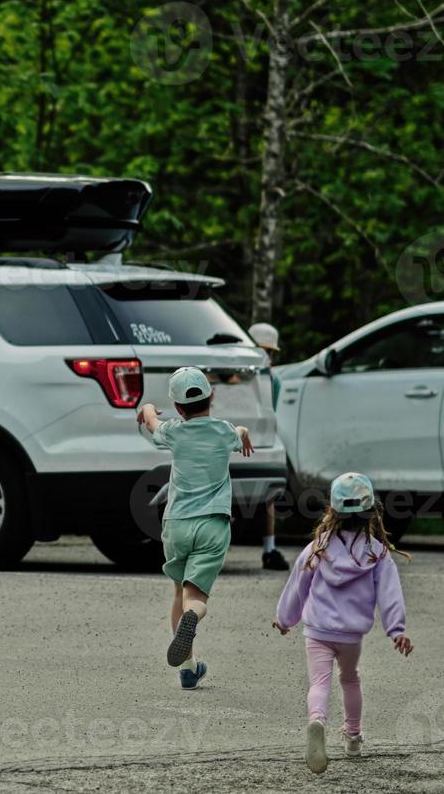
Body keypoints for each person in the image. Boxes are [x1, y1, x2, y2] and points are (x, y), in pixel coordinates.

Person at [272, 472, 412, 774]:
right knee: (350, 679)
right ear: (372, 512)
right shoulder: (376, 552)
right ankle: (352, 737)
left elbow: (298, 584)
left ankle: (317, 721)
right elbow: (390, 594)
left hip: (318, 630)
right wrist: (396, 630)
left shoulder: (319, 547)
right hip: (351, 635)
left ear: (331, 511)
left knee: (319, 682)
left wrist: (285, 618)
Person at [137, 366, 253, 688]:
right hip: (212, 524)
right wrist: (244, 434)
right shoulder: (223, 431)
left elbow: (151, 423)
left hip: (176, 524)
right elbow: (239, 431)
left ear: (177, 408)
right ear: (212, 396)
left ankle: (188, 667)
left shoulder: (174, 431)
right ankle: (194, 617)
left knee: (178, 590)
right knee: (195, 597)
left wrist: (146, 408)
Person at [249, 321, 289, 571]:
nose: (268, 358)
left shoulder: (273, 381)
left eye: (270, 353)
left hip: (256, 440)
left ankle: (269, 548)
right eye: (263, 351)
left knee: (269, 496)